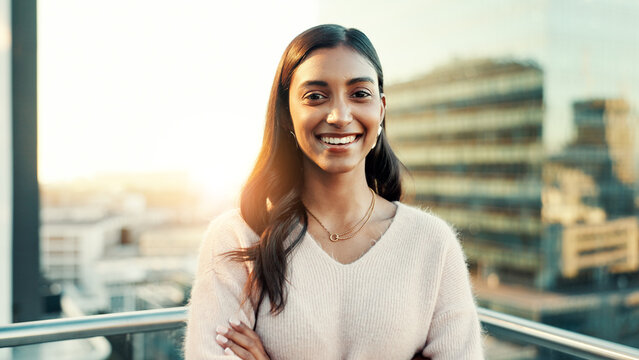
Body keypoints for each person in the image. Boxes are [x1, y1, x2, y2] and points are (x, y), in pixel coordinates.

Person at [184, 24, 484, 360]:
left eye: (359, 94)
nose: (340, 116)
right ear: (286, 114)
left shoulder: (432, 244)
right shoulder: (238, 237)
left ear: (381, 109)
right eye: (315, 96)